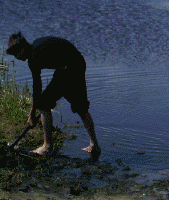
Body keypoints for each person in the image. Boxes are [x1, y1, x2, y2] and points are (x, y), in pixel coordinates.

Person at [6, 32, 101, 160]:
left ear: (24, 45)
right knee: (79, 107)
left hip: (72, 66)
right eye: (14, 55)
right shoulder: (33, 56)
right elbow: (37, 88)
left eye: (18, 52)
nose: (17, 56)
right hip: (73, 64)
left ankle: (47, 147)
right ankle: (94, 145)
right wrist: (33, 114)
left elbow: (37, 90)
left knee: (44, 103)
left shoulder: (34, 55)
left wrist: (33, 114)